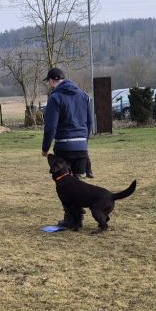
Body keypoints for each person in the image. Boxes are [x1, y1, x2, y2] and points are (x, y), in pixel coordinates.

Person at [41, 67, 93, 229]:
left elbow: (50, 126)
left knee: (64, 184)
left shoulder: (55, 97)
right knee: (78, 183)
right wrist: (84, 141)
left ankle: (70, 218)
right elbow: (90, 121)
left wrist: (45, 147)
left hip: (64, 145)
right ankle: (79, 218)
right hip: (81, 146)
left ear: (52, 81)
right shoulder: (83, 95)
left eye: (48, 82)